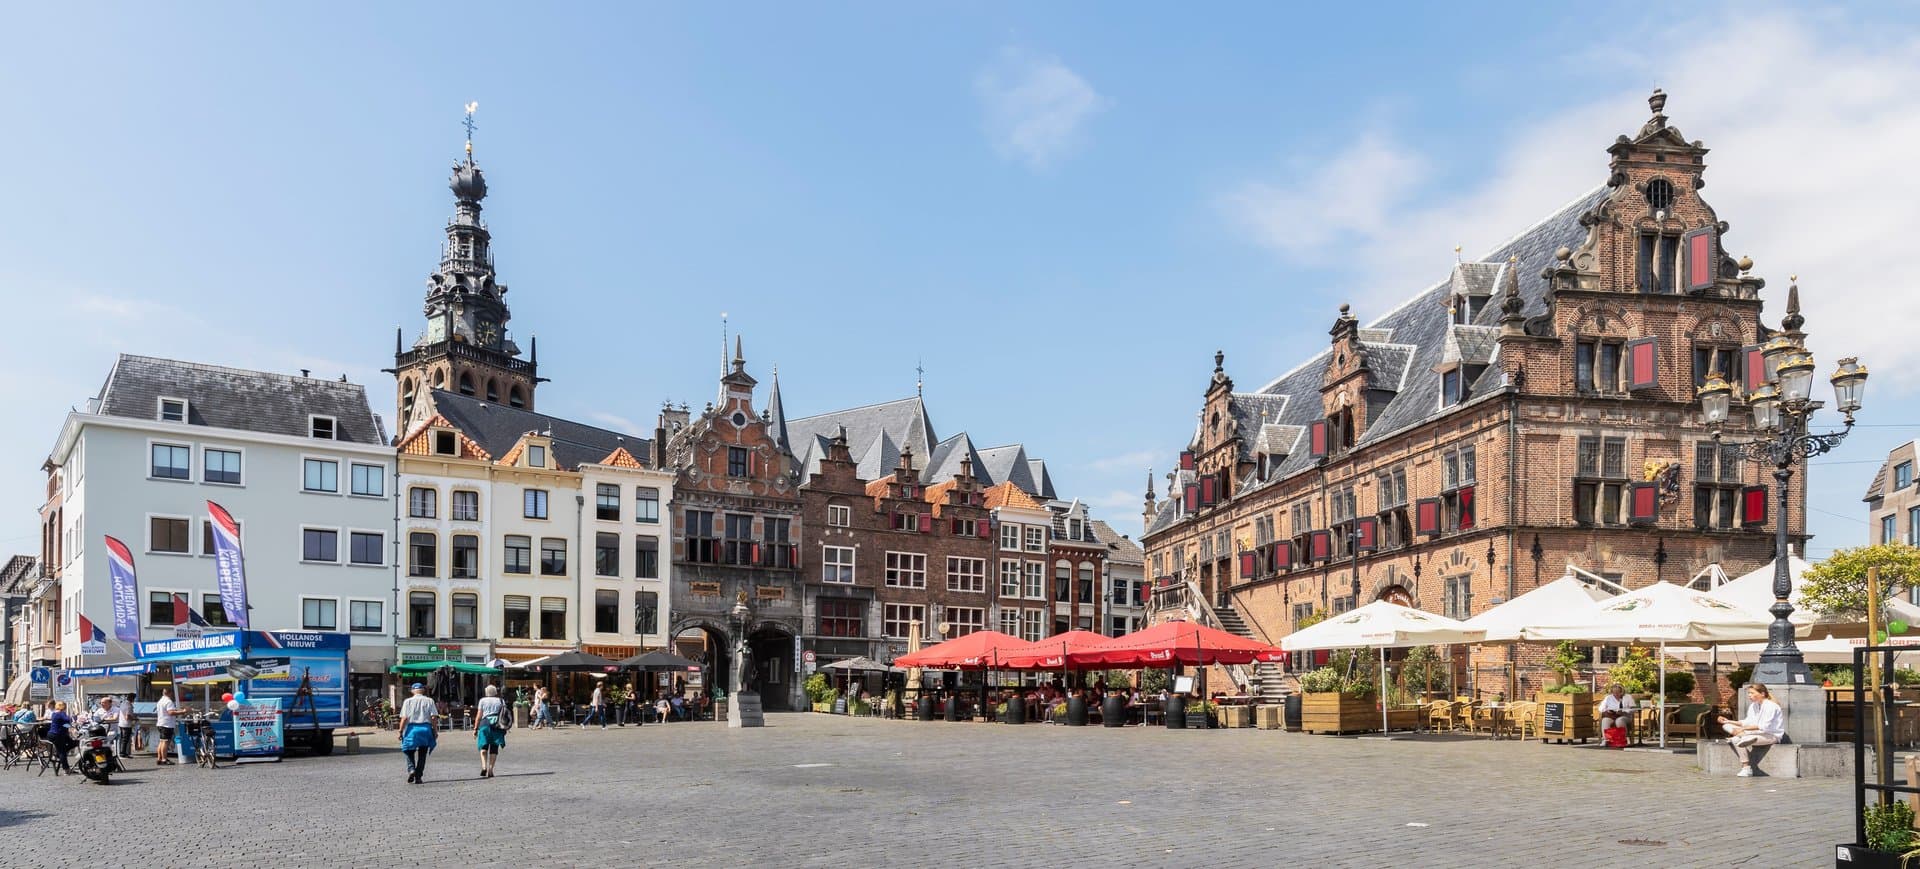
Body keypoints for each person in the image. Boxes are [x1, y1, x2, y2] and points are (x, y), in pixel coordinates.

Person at [1723, 682, 1786, 776]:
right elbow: (1747, 721)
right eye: (1749, 693)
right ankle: (1746, 767)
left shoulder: (1771, 706)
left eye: (1752, 693)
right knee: (1726, 726)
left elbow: (1764, 726)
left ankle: (1746, 765)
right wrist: (1728, 721)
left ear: (1762, 694)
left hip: (1771, 736)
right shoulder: (1754, 705)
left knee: (1735, 739)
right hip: (1754, 733)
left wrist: (1742, 729)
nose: (1749, 695)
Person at [398, 683, 439, 784]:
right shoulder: (430, 701)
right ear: (423, 690)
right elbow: (433, 717)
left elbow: (404, 718)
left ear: (412, 691)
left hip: (411, 729)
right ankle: (418, 776)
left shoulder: (407, 701)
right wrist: (435, 730)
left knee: (408, 750)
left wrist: (400, 731)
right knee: (422, 753)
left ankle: (411, 769)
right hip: (425, 729)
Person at [475, 684, 507, 778]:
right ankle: (490, 769)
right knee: (494, 747)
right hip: (497, 725)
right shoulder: (501, 700)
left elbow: (479, 716)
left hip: (485, 724)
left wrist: (475, 728)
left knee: (483, 746)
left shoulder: (482, 701)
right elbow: (504, 714)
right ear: (495, 692)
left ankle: (484, 766)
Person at [47, 700, 75, 775]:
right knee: (62, 751)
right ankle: (66, 769)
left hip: (52, 734)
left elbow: (62, 724)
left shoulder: (54, 713)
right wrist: (70, 717)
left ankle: (58, 755)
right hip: (58, 735)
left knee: (73, 743)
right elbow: (67, 720)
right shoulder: (61, 713)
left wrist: (70, 726)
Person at [153, 687, 177, 766]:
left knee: (161, 741)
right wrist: (183, 712)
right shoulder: (168, 701)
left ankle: (159, 758)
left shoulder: (160, 701)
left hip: (161, 723)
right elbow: (170, 712)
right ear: (170, 693)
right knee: (165, 742)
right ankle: (164, 759)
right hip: (167, 724)